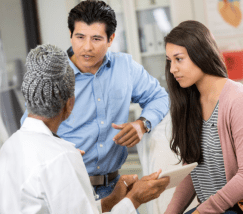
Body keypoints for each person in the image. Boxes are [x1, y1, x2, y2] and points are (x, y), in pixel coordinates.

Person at [20, 0, 169, 200]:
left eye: (97, 38)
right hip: (67, 188)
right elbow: (29, 129)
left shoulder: (125, 67)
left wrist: (142, 124)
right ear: (71, 35)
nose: (87, 47)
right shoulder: (53, 75)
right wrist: (57, 149)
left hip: (114, 186)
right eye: (80, 37)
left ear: (111, 39)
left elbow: (159, 97)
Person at [0, 44, 169, 214]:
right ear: (70, 103)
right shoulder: (62, 156)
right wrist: (134, 199)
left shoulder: (10, 147)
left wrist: (110, 202)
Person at [163, 20, 243, 214]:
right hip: (219, 208)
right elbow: (192, 170)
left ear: (200, 53)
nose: (172, 69)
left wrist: (201, 211)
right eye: (170, 61)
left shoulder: (238, 100)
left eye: (179, 59)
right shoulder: (190, 103)